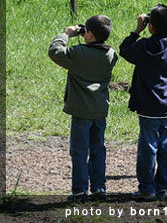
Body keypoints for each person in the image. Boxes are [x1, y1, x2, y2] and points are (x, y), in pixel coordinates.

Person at [48, 15, 118, 202]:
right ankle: (99, 188)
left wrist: (65, 34)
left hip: (80, 111)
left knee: (79, 151)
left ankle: (79, 191)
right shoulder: (111, 55)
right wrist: (85, 33)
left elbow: (55, 51)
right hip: (100, 111)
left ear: (90, 34)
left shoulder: (78, 53)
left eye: (86, 31)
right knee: (98, 150)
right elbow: (95, 50)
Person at [119, 4, 167, 201]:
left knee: (148, 148)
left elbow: (124, 50)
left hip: (147, 105)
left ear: (150, 27)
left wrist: (137, 30)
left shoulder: (143, 46)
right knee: (165, 147)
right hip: (166, 105)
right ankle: (163, 187)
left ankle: (147, 187)